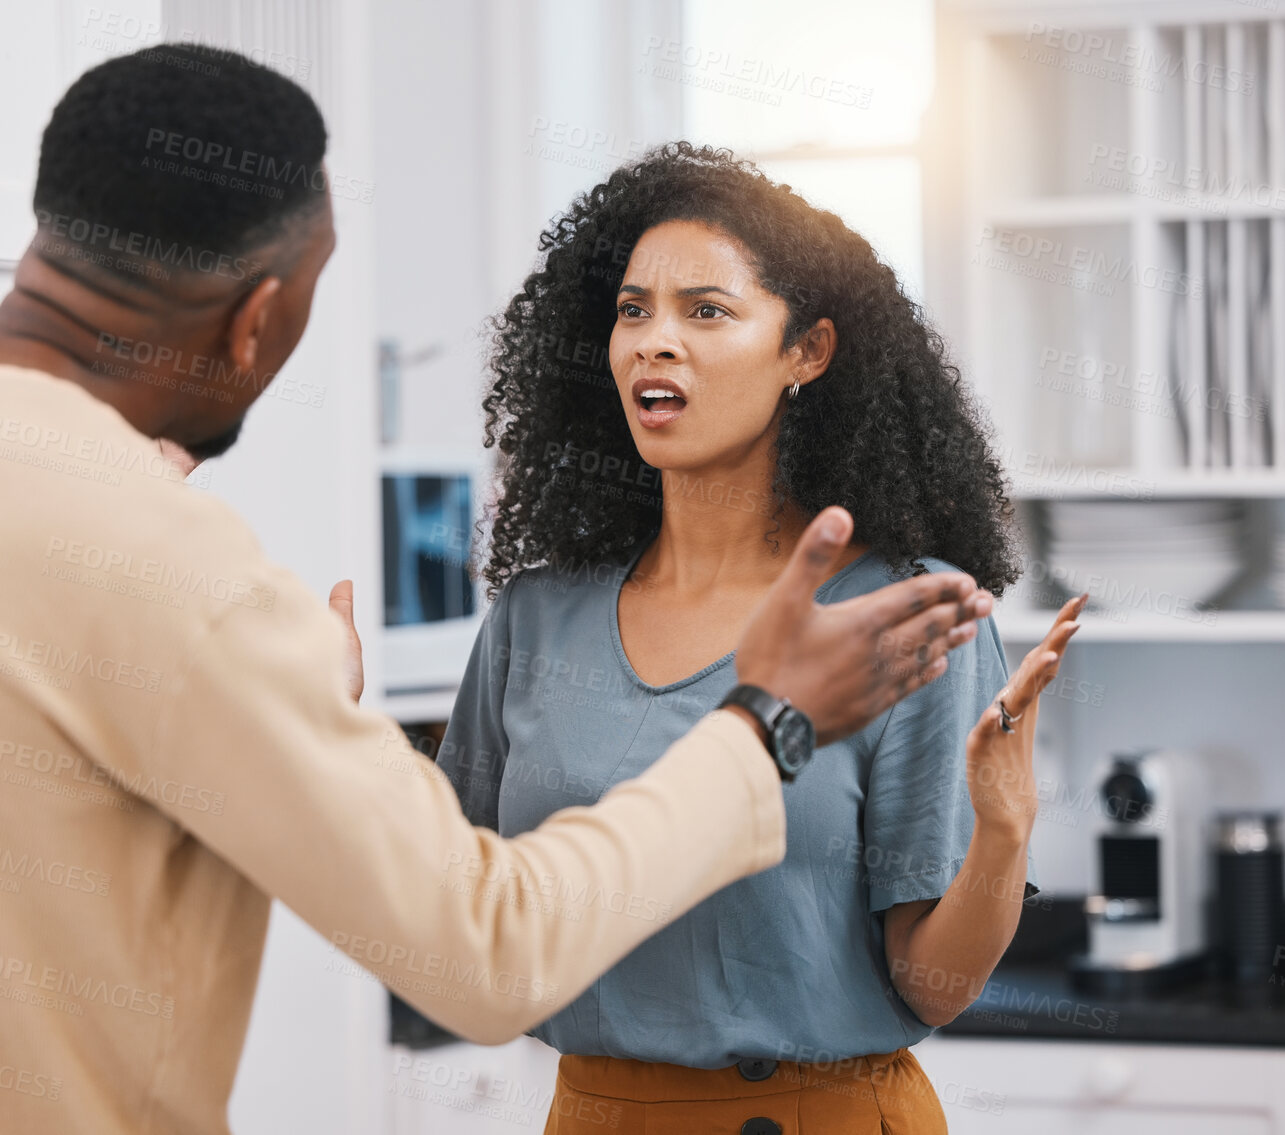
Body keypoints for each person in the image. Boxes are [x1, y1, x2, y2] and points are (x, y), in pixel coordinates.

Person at [0, 48, 992, 1133]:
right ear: (254, 321)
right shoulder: (173, 569)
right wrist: (764, 720)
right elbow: (488, 952)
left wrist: (275, 712)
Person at [436, 143, 1085, 1134]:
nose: (656, 340)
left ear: (807, 352)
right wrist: (323, 736)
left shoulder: (904, 613)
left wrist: (1004, 829)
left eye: (707, 310)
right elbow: (454, 927)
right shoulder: (535, 615)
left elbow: (935, 986)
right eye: (631, 310)